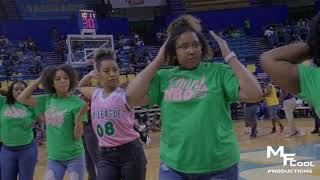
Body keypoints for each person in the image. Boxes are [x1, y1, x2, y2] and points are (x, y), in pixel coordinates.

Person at [126, 15, 263, 179]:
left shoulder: (218, 72)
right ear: (173, 52)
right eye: (183, 46)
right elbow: (131, 97)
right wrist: (158, 60)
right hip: (174, 166)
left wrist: (230, 56)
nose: (191, 51)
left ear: (202, 48)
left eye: (195, 45)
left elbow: (255, 94)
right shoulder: (163, 77)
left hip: (219, 166)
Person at [78, 49, 147, 180]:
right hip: (106, 155)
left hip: (131, 153)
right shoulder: (95, 93)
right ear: (99, 74)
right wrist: (90, 74)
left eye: (115, 70)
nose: (112, 74)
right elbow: (80, 86)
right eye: (107, 71)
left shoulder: (126, 95)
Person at [17, 64, 88, 180]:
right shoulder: (47, 100)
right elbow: (21, 98)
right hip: (54, 158)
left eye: (66, 78)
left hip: (74, 157)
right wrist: (41, 78)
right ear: (51, 83)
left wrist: (79, 117)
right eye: (58, 79)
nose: (63, 81)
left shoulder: (78, 103)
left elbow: (77, 135)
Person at [261, 12, 320, 135]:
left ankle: (293, 130)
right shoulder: (313, 77)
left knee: (286, 117)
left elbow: (268, 59)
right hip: (284, 101)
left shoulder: (312, 78)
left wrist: (313, 47)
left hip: (285, 101)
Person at [0, 81, 38, 180]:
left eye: (23, 89)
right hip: (7, 150)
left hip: (27, 150)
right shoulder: (2, 102)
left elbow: (42, 118)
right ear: (11, 91)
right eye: (16, 89)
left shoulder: (32, 104)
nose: (19, 91)